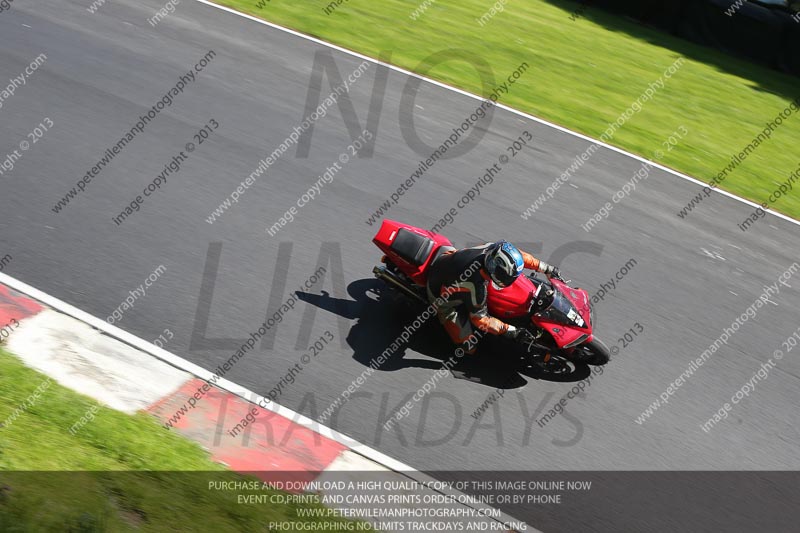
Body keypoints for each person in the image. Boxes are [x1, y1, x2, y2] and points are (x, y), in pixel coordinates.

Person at [426, 241, 560, 354]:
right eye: (506, 277)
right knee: (468, 347)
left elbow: (518, 256)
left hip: (450, 258)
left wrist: (545, 268)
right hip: (439, 289)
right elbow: (480, 320)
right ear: (495, 271)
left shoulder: (494, 249)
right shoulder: (474, 285)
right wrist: (511, 330)